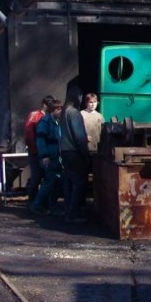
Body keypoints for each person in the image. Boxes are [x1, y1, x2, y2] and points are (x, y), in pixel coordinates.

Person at [59, 85, 91, 224]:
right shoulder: (74, 113)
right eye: (80, 96)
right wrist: (86, 153)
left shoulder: (64, 112)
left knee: (69, 183)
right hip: (74, 152)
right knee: (78, 183)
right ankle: (73, 214)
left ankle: (68, 211)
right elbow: (79, 136)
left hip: (65, 152)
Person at [30, 98, 64, 216]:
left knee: (55, 182)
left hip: (55, 157)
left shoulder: (56, 122)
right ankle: (37, 205)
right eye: (58, 109)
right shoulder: (44, 122)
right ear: (52, 110)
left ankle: (51, 205)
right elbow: (40, 140)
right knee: (49, 181)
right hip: (49, 157)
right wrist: (44, 156)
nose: (60, 111)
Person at [24, 94, 55, 202]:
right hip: (36, 151)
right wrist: (35, 147)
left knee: (46, 177)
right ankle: (32, 200)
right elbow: (29, 134)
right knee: (36, 176)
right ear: (44, 105)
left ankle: (41, 201)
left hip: (44, 150)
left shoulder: (48, 117)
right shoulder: (35, 116)